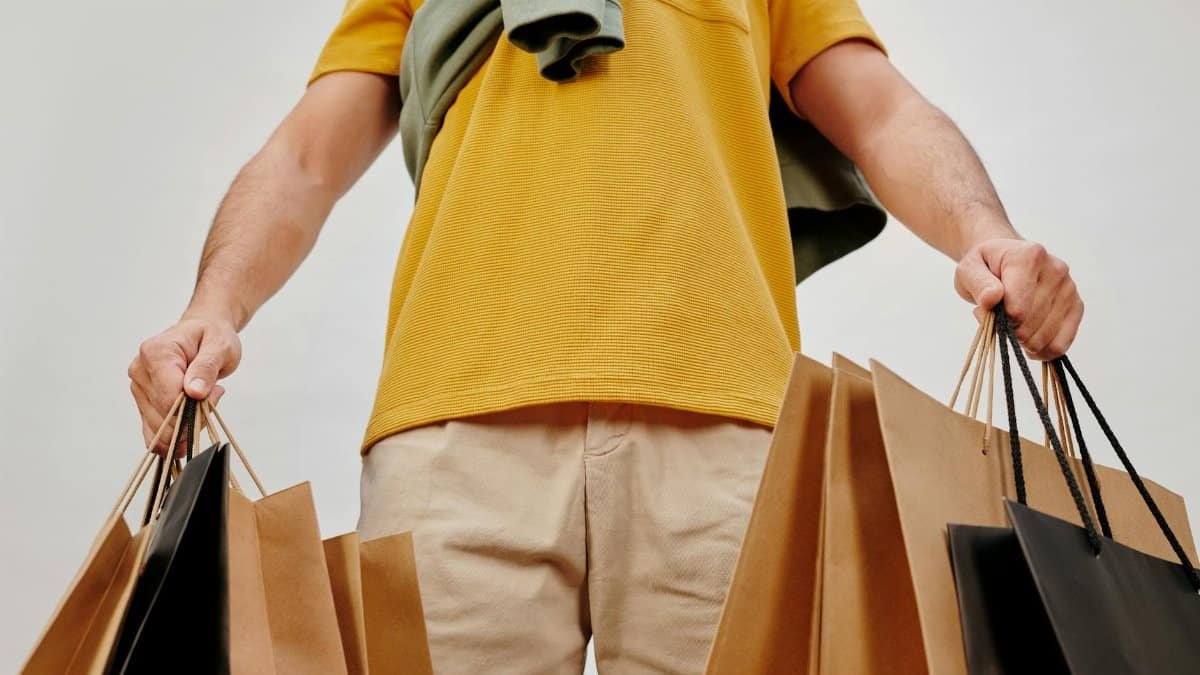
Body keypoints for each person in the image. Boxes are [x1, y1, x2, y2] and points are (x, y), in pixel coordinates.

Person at [127, 0, 1084, 672]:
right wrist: (213, 306)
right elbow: (305, 157)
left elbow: (881, 110)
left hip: (725, 433)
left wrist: (988, 235)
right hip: (454, 437)